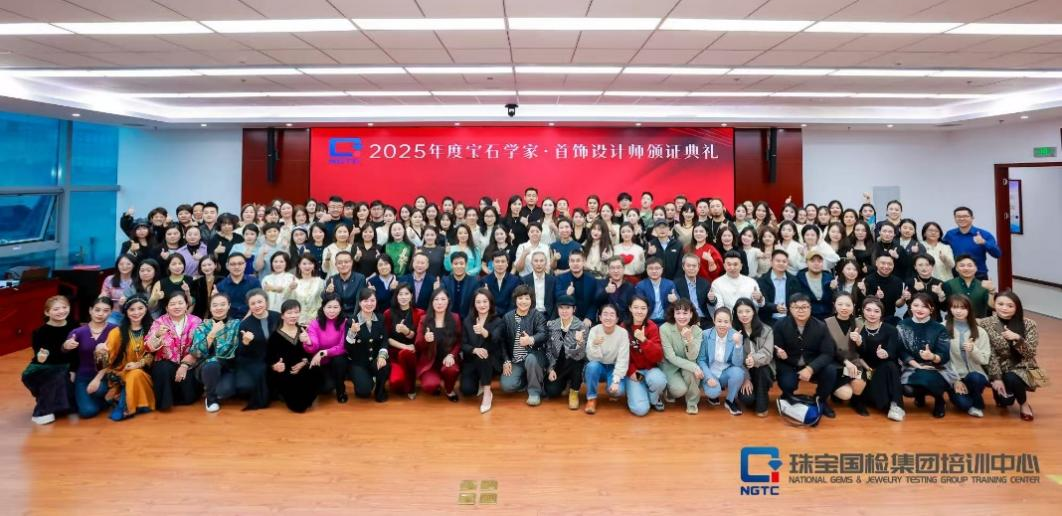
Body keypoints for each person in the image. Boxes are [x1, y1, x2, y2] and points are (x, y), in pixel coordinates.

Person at [979, 291, 1045, 422]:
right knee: (1006, 402)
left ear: (1017, 307)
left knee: (1012, 377)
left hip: (1023, 366)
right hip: (998, 366)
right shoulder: (985, 323)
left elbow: (1031, 353)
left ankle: (1024, 405)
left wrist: (1018, 338)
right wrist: (996, 378)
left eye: (1010, 305)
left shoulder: (1029, 324)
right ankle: (1001, 392)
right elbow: (990, 353)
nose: (1004, 308)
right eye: (1000, 304)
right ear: (994, 304)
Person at [90, 296, 156, 421]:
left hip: (146, 373)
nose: (136, 312)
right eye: (132, 309)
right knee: (129, 375)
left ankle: (123, 407)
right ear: (126, 312)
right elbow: (105, 362)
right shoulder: (116, 332)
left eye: (140, 308)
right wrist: (100, 352)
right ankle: (130, 404)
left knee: (135, 373)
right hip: (120, 374)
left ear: (146, 309)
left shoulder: (153, 329)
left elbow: (154, 354)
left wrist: (138, 364)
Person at [773, 293, 838, 418]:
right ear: (790, 309)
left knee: (830, 370)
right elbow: (774, 348)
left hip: (812, 363)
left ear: (810, 308)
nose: (800, 310)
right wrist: (779, 354)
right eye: (796, 307)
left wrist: (811, 368)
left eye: (804, 307)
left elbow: (828, 353)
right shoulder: (780, 325)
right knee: (787, 383)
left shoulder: (821, 326)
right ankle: (787, 396)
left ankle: (821, 400)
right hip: (789, 363)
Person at [22, 296, 79, 425]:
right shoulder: (40, 332)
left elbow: (76, 354)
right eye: (56, 309)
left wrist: (73, 370)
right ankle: (42, 412)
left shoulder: (74, 326)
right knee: (56, 375)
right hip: (43, 368)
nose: (61, 311)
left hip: (66, 367)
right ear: (47, 312)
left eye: (64, 307)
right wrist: (63, 348)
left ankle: (56, 404)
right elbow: (42, 358)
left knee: (73, 407)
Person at [898, 294, 953, 418]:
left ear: (931, 309)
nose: (919, 309)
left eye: (924, 306)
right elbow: (900, 350)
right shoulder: (902, 325)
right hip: (911, 366)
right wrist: (917, 365)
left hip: (935, 367)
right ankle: (920, 395)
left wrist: (932, 357)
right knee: (907, 390)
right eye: (916, 305)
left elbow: (944, 355)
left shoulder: (939, 328)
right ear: (910, 307)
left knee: (928, 379)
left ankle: (939, 400)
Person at [146, 290, 202, 411]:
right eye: (172, 304)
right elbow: (148, 347)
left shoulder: (196, 321)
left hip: (188, 365)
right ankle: (164, 403)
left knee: (188, 398)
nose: (177, 306)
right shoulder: (159, 322)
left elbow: (200, 347)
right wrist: (157, 335)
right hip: (167, 366)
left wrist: (185, 365)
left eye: (180, 303)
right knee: (162, 367)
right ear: (167, 308)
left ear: (186, 305)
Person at [267, 300, 320, 413]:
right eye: (289, 313)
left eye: (296, 312)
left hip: (304, 368)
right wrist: (275, 366)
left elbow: (311, 353)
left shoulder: (304, 330)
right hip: (287, 373)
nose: (293, 316)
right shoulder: (275, 336)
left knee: (316, 371)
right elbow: (269, 359)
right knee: (298, 407)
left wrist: (304, 362)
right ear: (282, 316)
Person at [67, 297, 116, 418]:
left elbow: (114, 356)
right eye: (97, 310)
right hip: (83, 376)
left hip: (104, 376)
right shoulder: (78, 332)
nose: (100, 314)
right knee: (87, 412)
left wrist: (97, 379)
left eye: (105, 310)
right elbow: (67, 350)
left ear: (111, 312)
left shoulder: (114, 330)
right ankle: (104, 403)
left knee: (99, 390)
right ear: (90, 310)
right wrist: (66, 345)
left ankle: (98, 397)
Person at [500, 285, 549, 405]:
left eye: (527, 298)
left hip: (534, 357)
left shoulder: (537, 315)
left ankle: (534, 392)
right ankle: (528, 381)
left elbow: (544, 334)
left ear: (531, 300)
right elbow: (502, 341)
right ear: (515, 299)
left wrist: (531, 339)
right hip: (516, 361)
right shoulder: (507, 317)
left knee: (531, 359)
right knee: (507, 385)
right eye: (520, 298)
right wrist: (506, 360)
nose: (523, 301)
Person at [945, 294, 991, 418]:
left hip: (975, 375)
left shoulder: (980, 332)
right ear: (950, 309)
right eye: (955, 307)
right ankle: (971, 398)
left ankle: (977, 404)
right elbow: (943, 360)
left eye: (963, 308)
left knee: (975, 378)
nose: (958, 311)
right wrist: (956, 380)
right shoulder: (942, 328)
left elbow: (984, 359)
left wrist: (973, 350)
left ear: (969, 309)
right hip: (954, 376)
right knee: (964, 405)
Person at [342, 289, 391, 402]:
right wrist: (352, 333)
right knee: (363, 392)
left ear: (376, 302)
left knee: (384, 365)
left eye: (372, 300)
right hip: (358, 363)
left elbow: (384, 340)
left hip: (375, 360)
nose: (369, 304)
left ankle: (380, 390)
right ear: (359, 303)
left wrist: (382, 356)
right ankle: (368, 379)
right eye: (365, 301)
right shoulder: (351, 321)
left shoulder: (381, 318)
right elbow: (347, 348)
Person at [413, 289, 463, 401]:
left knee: (451, 370)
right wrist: (425, 339)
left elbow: (459, 341)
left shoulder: (455, 318)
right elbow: (418, 345)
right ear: (432, 302)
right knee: (429, 386)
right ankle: (436, 382)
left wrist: (452, 355)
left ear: (448, 301)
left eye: (443, 299)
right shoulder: (424, 319)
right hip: (430, 363)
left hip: (448, 360)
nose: (439, 302)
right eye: (436, 299)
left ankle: (449, 390)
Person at [304, 293, 354, 403]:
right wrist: (308, 342)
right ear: (323, 308)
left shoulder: (345, 322)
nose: (332, 311)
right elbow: (314, 346)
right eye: (329, 307)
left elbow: (343, 347)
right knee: (325, 389)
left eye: (336, 307)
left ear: (340, 308)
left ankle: (341, 390)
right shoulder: (315, 323)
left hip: (337, 360)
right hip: (321, 362)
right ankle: (331, 381)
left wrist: (323, 352)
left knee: (340, 360)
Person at [461, 289, 505, 413]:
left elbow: (496, 340)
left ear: (490, 303)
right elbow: (463, 344)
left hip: (491, 361)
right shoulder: (468, 321)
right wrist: (474, 349)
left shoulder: (498, 321)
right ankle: (480, 380)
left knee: (484, 354)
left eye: (485, 301)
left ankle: (487, 393)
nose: (482, 305)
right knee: (467, 390)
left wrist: (484, 332)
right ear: (474, 304)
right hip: (472, 361)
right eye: (478, 302)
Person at [582, 304, 630, 415]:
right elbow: (591, 358)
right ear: (600, 317)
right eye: (605, 314)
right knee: (592, 366)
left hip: (614, 367)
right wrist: (595, 345)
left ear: (617, 319)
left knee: (617, 391)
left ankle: (611, 387)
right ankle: (591, 398)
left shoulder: (622, 333)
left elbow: (623, 359)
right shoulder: (594, 330)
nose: (608, 317)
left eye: (612, 315)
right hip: (599, 365)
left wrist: (616, 381)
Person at [622, 295, 667, 416]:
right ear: (630, 308)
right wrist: (631, 371)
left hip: (650, 370)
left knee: (659, 380)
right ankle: (640, 392)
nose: (639, 311)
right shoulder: (623, 327)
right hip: (633, 371)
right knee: (641, 410)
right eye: (636, 307)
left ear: (647, 310)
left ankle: (654, 399)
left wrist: (644, 340)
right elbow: (621, 356)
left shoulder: (652, 326)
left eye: (643, 308)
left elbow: (658, 356)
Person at [697, 308, 746, 415]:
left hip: (725, 372)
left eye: (726, 321)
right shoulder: (705, 335)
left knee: (738, 372)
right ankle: (714, 394)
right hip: (710, 371)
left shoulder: (737, 336)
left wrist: (738, 345)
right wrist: (708, 377)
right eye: (719, 321)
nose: (722, 325)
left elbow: (737, 364)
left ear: (730, 323)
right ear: (714, 321)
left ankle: (730, 400)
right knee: (713, 392)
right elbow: (701, 359)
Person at [824, 294, 868, 415]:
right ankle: (833, 391)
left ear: (853, 306)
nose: (844, 307)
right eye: (840, 304)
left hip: (853, 363)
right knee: (845, 394)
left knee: (859, 383)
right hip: (834, 363)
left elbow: (863, 351)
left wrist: (859, 342)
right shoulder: (826, 323)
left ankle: (856, 401)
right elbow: (827, 350)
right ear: (834, 305)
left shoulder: (859, 323)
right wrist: (845, 362)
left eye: (848, 305)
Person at [659, 299, 704, 414]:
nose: (681, 316)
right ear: (673, 314)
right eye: (678, 313)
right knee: (679, 390)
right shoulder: (664, 329)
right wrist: (694, 367)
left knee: (692, 372)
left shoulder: (697, 331)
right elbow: (670, 357)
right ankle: (669, 391)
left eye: (685, 313)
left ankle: (692, 403)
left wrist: (689, 339)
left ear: (691, 314)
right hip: (670, 366)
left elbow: (693, 356)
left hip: (688, 363)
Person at [544, 295, 588, 410]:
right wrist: (551, 369)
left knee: (576, 361)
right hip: (559, 364)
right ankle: (565, 382)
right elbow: (548, 350)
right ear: (557, 309)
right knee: (551, 391)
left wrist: (580, 343)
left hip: (574, 363)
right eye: (561, 308)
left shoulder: (581, 326)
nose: (564, 311)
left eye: (568, 308)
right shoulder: (552, 325)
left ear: (574, 309)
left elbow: (582, 355)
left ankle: (574, 391)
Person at [235, 289, 276, 410]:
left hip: (275, 355)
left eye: (260, 302)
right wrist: (245, 342)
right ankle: (264, 399)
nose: (257, 306)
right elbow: (240, 352)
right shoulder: (244, 324)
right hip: (254, 359)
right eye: (253, 303)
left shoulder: (277, 316)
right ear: (249, 306)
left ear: (266, 302)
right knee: (262, 370)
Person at [733, 298, 774, 417]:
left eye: (747, 311)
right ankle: (756, 393)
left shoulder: (766, 329)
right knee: (748, 399)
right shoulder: (733, 332)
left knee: (761, 371)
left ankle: (762, 407)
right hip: (743, 370)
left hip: (762, 367)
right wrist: (745, 378)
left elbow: (768, 353)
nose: (744, 315)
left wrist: (754, 359)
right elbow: (733, 359)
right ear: (736, 314)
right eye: (740, 312)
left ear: (754, 312)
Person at [384, 284, 424, 399]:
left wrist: (406, 331)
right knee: (396, 384)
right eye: (400, 294)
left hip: (413, 353)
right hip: (394, 354)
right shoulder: (388, 313)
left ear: (411, 296)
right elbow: (387, 338)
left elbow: (418, 337)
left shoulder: (419, 313)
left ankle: (411, 386)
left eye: (406, 294)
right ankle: (404, 380)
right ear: (396, 296)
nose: (403, 297)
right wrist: (404, 346)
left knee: (405, 353)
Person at [943, 207, 1001, 280]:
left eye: (965, 216)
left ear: (972, 218)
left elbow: (997, 254)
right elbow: (942, 249)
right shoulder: (950, 234)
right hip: (956, 275)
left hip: (978, 274)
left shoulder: (983, 234)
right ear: (955, 218)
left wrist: (984, 242)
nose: (962, 219)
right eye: (958, 217)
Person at [555, 250, 600, 324]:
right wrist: (566, 293)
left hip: (586, 320)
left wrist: (589, 317)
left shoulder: (592, 280)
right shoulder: (561, 278)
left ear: (583, 262)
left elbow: (594, 302)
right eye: (572, 261)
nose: (575, 263)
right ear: (569, 263)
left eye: (578, 261)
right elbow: (556, 296)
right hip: (566, 320)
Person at [757, 250, 799, 325]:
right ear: (771, 262)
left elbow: (797, 300)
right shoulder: (762, 281)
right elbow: (762, 303)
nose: (781, 263)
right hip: (768, 320)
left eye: (784, 261)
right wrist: (775, 307)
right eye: (778, 261)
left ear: (787, 263)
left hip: (789, 319)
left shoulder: (794, 280)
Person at [862, 254, 906, 323]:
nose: (886, 266)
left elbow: (898, 305)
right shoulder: (868, 280)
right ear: (876, 263)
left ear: (893, 265)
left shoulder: (898, 281)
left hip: (889, 318)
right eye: (883, 263)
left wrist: (903, 299)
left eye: (889, 264)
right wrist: (876, 297)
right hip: (870, 318)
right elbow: (864, 303)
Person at [216, 253, 262, 320]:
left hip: (252, 318)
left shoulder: (254, 282)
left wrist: (245, 321)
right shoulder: (221, 285)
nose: (237, 267)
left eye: (240, 263)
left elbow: (258, 303)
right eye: (233, 264)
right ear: (227, 266)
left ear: (245, 265)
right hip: (229, 320)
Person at [635, 257, 677, 326]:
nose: (654, 271)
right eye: (651, 268)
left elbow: (677, 301)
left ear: (662, 269)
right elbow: (639, 305)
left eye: (657, 268)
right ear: (646, 270)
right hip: (647, 321)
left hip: (666, 321)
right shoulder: (641, 286)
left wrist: (674, 300)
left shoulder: (669, 284)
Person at [324, 251, 367, 317]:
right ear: (336, 264)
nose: (343, 264)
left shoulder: (360, 278)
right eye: (339, 263)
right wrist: (327, 292)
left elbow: (359, 301)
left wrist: (353, 318)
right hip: (336, 316)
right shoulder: (332, 279)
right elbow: (327, 301)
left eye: (346, 262)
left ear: (351, 263)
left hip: (353, 315)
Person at [674, 254, 711, 327]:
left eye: (694, 266)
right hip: (685, 319)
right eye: (688, 266)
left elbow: (711, 303)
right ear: (683, 267)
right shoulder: (676, 284)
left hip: (703, 319)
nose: (691, 268)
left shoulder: (705, 283)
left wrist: (712, 299)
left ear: (698, 267)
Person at [481, 251, 521, 316]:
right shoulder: (485, 281)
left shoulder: (515, 281)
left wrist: (506, 317)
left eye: (503, 261)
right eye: (497, 261)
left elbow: (514, 303)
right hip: (491, 316)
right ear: (492, 264)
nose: (500, 264)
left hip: (510, 317)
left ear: (507, 264)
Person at [596, 257, 636, 322]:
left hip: (624, 323)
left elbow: (632, 307)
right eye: (612, 268)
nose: (616, 271)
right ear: (608, 270)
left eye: (618, 267)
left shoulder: (630, 287)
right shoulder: (601, 284)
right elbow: (595, 302)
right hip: (605, 321)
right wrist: (606, 292)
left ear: (623, 269)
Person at [797, 250, 834, 320]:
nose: (816, 264)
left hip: (827, 316)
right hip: (807, 316)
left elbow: (834, 298)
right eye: (812, 261)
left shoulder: (829, 278)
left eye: (819, 261)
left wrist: (833, 289)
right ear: (806, 262)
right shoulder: (799, 278)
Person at [290, 255, 326, 325]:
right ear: (299, 265)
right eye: (304, 264)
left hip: (316, 320)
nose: (307, 266)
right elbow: (289, 302)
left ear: (314, 265)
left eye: (310, 263)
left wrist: (314, 317)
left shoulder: (320, 282)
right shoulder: (293, 282)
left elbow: (322, 302)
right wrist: (290, 289)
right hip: (297, 320)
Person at [100, 254, 135, 324]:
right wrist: (103, 297)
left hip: (133, 313)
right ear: (117, 265)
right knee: (110, 325)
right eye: (121, 264)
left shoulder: (137, 281)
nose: (124, 266)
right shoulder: (109, 279)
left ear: (134, 265)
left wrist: (128, 300)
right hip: (114, 313)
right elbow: (104, 295)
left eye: (128, 264)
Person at [442, 251, 478, 318]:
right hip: (449, 318)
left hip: (468, 319)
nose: (458, 266)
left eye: (461, 264)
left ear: (466, 265)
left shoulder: (474, 281)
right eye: (455, 264)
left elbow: (474, 303)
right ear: (451, 265)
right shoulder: (445, 281)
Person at [522, 250, 556, 317]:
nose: (539, 264)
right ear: (531, 263)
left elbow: (556, 302)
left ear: (546, 263)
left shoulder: (553, 280)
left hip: (548, 316)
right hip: (529, 316)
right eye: (536, 261)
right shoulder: (524, 280)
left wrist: (552, 320)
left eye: (541, 261)